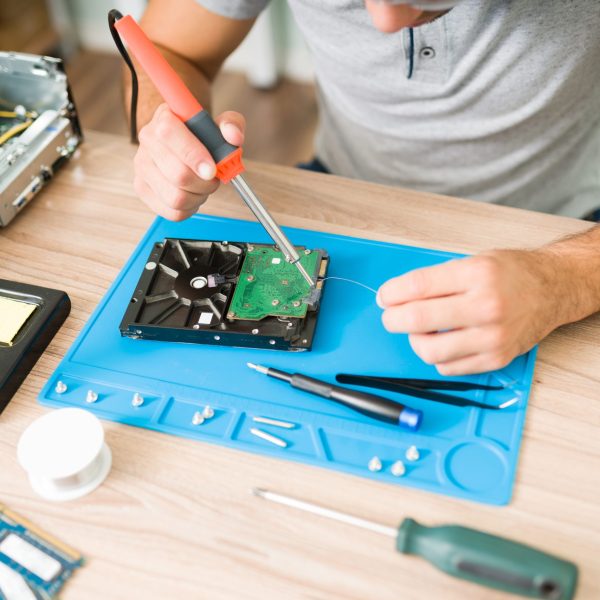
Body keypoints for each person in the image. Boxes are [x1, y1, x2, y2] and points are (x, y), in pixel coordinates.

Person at [127, 0, 600, 375]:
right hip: (337, 189)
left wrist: (564, 282)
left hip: (564, 225)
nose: (386, 19)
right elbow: (169, 52)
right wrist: (164, 135)